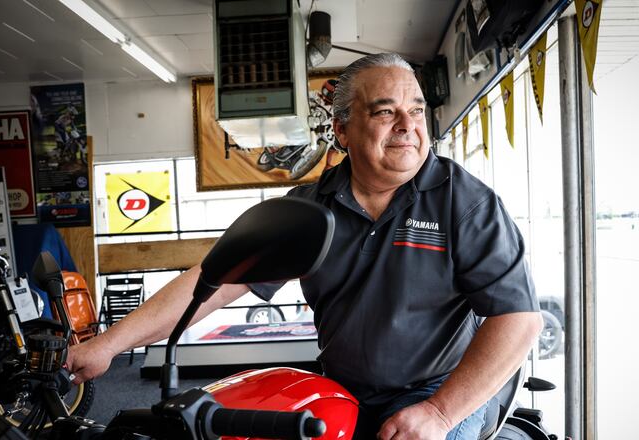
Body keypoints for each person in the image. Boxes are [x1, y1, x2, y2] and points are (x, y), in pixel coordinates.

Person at [68, 53, 542, 440]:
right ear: (342, 132)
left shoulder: (465, 202)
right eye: (385, 111)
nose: (407, 125)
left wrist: (439, 413)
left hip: (439, 390)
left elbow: (518, 318)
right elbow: (212, 284)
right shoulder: (309, 211)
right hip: (342, 386)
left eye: (416, 110)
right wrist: (108, 345)